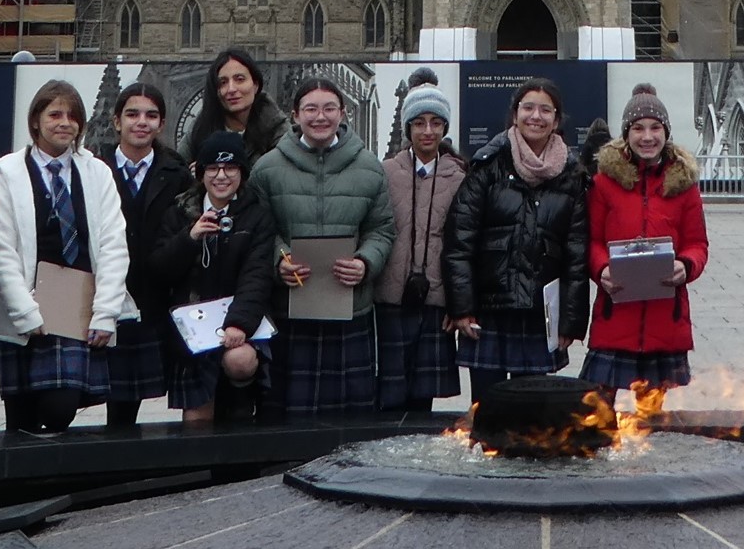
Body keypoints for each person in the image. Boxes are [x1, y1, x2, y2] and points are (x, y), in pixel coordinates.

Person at [0, 80, 134, 434]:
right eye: (55, 114)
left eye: (72, 116)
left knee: (60, 404)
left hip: (76, 305)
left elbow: (113, 244)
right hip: (23, 305)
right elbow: (0, 249)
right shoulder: (5, 174)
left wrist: (106, 311)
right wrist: (24, 312)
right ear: (36, 120)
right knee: (20, 420)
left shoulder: (97, 173)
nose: (65, 123)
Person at [249, 75, 395, 418]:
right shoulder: (267, 168)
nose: (320, 117)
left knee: (349, 420)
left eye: (329, 108)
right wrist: (279, 259)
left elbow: (382, 230)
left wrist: (365, 263)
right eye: (311, 109)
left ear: (343, 113)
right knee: (286, 415)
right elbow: (257, 230)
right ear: (295, 114)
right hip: (289, 311)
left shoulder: (369, 167)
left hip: (350, 311)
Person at [445, 77, 589, 400]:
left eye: (545, 110)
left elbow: (576, 256)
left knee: (533, 422)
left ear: (556, 118)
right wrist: (462, 308)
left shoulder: (572, 175)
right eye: (528, 108)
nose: (535, 116)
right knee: (487, 415)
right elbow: (460, 242)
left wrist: (570, 321)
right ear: (515, 115)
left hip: (539, 316)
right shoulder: (487, 165)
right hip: (488, 313)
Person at [583, 83, 709, 413]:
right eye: (638, 128)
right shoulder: (603, 183)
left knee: (649, 423)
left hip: (664, 317)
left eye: (655, 127)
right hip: (615, 315)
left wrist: (686, 264)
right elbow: (592, 241)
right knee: (596, 415)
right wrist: (601, 269)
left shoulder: (684, 185)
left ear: (666, 132)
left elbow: (698, 243)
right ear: (627, 133)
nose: (647, 136)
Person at [145, 130, 278, 424]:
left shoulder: (257, 216)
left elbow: (256, 276)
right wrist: (189, 237)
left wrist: (239, 324)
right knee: (196, 424)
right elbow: (159, 270)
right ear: (200, 172)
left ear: (241, 172)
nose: (221, 176)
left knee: (240, 361)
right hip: (193, 331)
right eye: (213, 168)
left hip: (239, 327)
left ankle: (242, 403)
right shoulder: (180, 213)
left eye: (230, 167)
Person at [375, 69, 466, 414]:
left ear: (444, 128)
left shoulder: (459, 178)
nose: (428, 131)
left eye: (435, 123)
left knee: (420, 402)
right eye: (419, 123)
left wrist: (457, 304)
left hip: (434, 300)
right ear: (408, 127)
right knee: (387, 393)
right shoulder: (385, 173)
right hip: (391, 299)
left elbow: (462, 245)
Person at [106, 78, 193, 428]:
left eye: (151, 115)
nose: (141, 122)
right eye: (132, 114)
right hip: (107, 299)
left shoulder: (178, 175)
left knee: (135, 396)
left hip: (156, 299)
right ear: (117, 122)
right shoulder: (96, 170)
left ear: (162, 123)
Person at [185, 48, 286, 164]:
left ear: (255, 85)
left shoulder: (278, 128)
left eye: (240, 79)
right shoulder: (200, 127)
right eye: (223, 82)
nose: (231, 89)